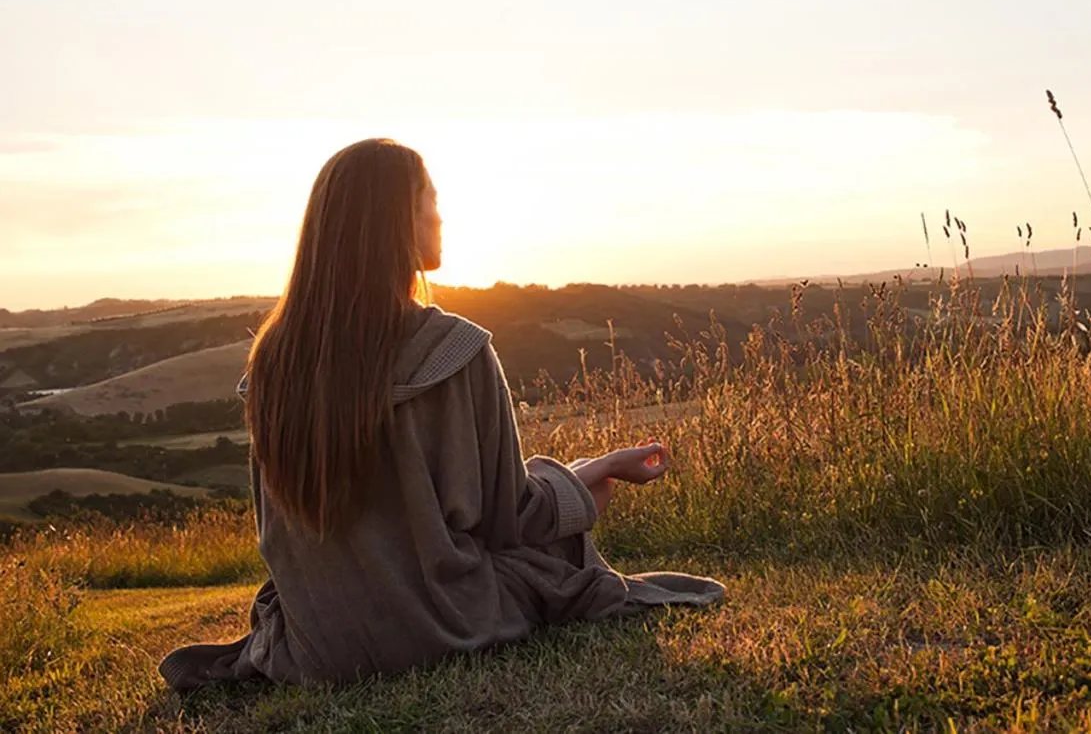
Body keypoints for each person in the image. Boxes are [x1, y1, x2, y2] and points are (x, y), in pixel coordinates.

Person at [159, 138, 723, 690]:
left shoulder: (270, 364)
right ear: (401, 221)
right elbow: (511, 520)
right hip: (440, 627)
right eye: (432, 202)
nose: (442, 217)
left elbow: (280, 537)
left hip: (323, 645)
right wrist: (587, 483)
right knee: (561, 537)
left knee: (570, 503)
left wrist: (591, 467)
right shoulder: (455, 350)